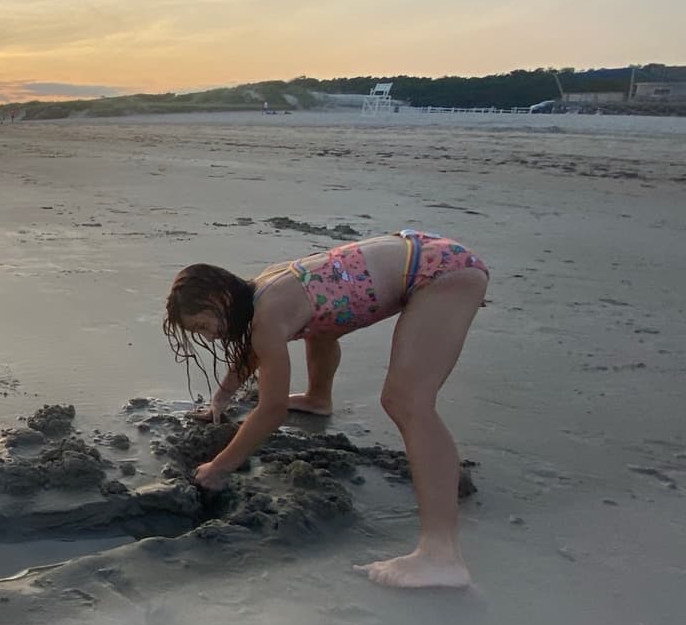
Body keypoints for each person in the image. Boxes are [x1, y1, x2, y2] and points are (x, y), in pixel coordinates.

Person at [162, 230, 488, 589]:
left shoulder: (267, 318)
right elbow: (257, 351)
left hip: (442, 274)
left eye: (204, 326)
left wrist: (218, 467)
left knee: (407, 400)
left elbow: (271, 411)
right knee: (319, 325)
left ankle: (441, 554)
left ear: (219, 297)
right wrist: (222, 398)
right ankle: (319, 397)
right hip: (429, 252)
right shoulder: (267, 286)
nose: (211, 336)